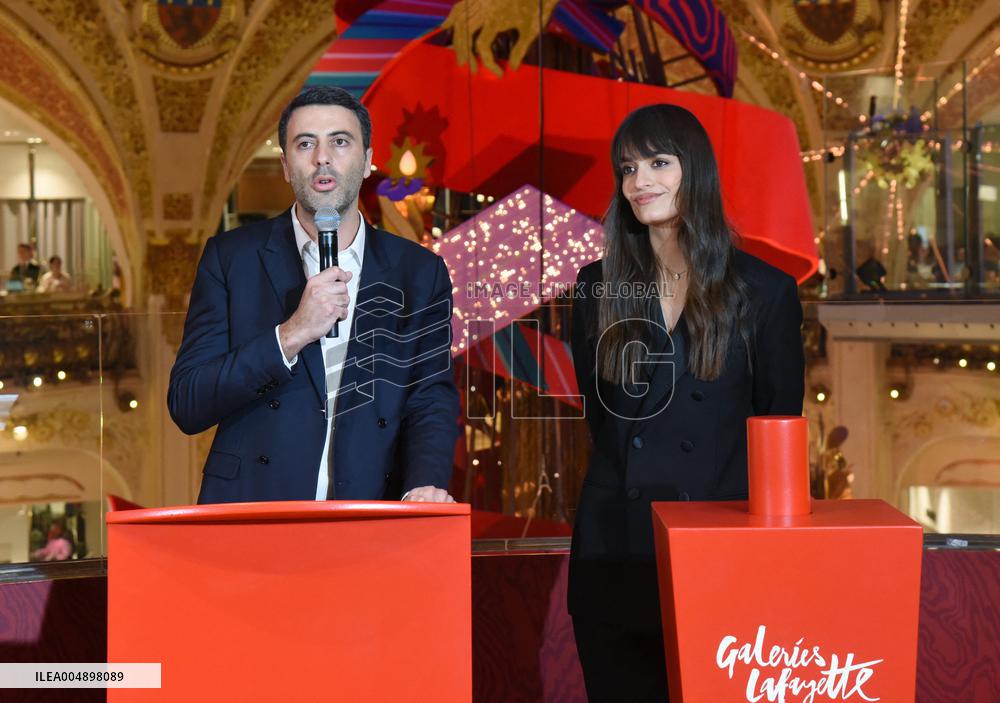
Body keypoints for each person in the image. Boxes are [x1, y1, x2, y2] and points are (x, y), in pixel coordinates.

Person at [569, 104, 804, 701]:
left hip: (720, 555)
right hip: (615, 551)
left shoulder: (766, 292)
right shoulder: (598, 286)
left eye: (658, 162)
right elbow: (604, 422)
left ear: (694, 171)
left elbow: (778, 437)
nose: (639, 181)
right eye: (628, 168)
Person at [168, 86, 459, 504]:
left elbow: (431, 395)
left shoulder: (419, 271)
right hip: (254, 508)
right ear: (286, 166)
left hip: (370, 507)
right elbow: (188, 401)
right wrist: (289, 335)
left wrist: (424, 482)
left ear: (368, 160)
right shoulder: (232, 258)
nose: (322, 157)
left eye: (340, 142)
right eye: (306, 144)